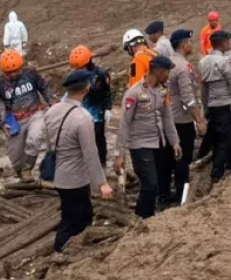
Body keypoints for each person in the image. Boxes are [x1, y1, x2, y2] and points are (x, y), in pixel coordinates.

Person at [46, 70, 113, 252]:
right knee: (74, 220)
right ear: (87, 87)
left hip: (59, 175)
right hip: (75, 179)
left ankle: (71, 251)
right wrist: (102, 183)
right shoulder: (83, 118)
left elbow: (47, 141)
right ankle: (61, 253)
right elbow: (90, 154)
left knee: (77, 214)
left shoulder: (52, 111)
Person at [114, 56, 180, 219]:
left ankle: (149, 214)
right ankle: (141, 218)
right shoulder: (134, 93)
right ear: (157, 72)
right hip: (140, 145)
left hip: (159, 144)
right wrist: (119, 154)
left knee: (156, 184)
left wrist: (175, 142)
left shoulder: (163, 90)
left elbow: (167, 117)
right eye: (166, 72)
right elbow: (124, 124)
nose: (168, 76)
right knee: (150, 185)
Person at [0, 50, 56, 181]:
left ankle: (27, 170)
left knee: (35, 138)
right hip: (16, 120)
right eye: (10, 72)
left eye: (17, 70)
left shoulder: (30, 74)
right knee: (15, 154)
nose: (14, 74)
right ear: (4, 72)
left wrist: (51, 101)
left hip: (35, 113)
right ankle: (21, 174)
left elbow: (44, 88)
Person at [162, 30, 205, 205]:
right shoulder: (183, 67)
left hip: (166, 118)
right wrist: (199, 121)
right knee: (183, 159)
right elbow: (188, 99)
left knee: (166, 157)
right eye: (189, 41)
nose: (191, 44)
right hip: (181, 119)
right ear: (183, 44)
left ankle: (164, 193)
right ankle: (181, 194)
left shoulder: (167, 63)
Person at [200, 30, 231, 182]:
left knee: (216, 137)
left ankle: (206, 161)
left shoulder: (204, 61)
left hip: (212, 105)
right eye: (229, 41)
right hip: (225, 104)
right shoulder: (224, 62)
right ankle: (217, 174)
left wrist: (205, 108)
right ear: (224, 43)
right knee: (225, 140)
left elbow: (203, 88)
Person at [68, 46, 112, 168]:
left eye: (80, 67)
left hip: (97, 111)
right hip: (81, 110)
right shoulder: (76, 75)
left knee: (98, 138)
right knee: (81, 137)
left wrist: (108, 108)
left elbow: (107, 92)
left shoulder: (101, 74)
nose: (78, 70)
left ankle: (101, 162)